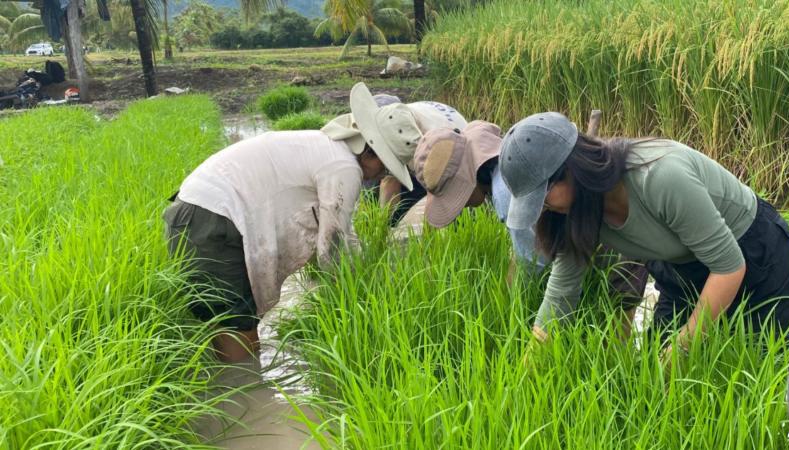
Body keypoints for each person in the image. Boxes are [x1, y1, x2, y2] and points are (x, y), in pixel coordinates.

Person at [499, 112, 789, 357]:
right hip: (680, 268)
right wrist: (525, 375)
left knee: (767, 363)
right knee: (656, 373)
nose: (543, 209)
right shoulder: (573, 212)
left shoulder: (659, 176)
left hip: (752, 252)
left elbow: (729, 267)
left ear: (571, 171)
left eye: (543, 196)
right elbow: (560, 297)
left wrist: (683, 346)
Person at [163, 96, 405, 363]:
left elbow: (342, 231)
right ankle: (246, 395)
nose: (381, 175)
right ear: (370, 150)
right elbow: (333, 251)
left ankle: (234, 389)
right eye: (384, 165)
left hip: (199, 212)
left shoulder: (325, 147)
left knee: (226, 320)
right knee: (236, 326)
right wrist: (359, 304)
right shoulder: (343, 166)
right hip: (213, 218)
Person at [412, 120, 647, 308]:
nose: (460, 207)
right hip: (609, 238)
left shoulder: (506, 194)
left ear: (467, 177)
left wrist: (509, 306)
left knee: (616, 341)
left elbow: (534, 264)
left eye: (453, 194)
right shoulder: (509, 167)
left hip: (616, 258)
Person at [323, 82, 468, 226]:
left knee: (441, 212)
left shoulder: (426, 150)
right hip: (430, 118)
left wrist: (382, 230)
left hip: (454, 151)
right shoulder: (392, 119)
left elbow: (391, 182)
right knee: (372, 190)